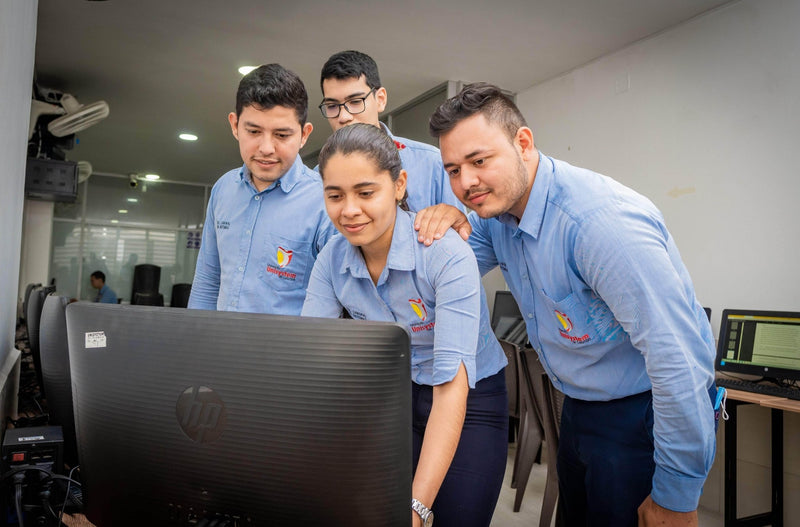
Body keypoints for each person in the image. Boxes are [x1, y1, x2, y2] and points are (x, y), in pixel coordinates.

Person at [417, 83, 717, 527]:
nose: (466, 183)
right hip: (577, 409)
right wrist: (445, 223)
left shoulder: (599, 225)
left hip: (642, 418)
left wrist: (676, 495)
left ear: (523, 142)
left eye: (479, 161)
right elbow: (437, 279)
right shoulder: (496, 216)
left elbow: (680, 360)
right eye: (454, 170)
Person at [301, 124, 508, 527]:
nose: (349, 210)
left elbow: (451, 388)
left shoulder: (445, 255)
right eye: (334, 195)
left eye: (365, 192)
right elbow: (313, 364)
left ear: (398, 186)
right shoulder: (331, 260)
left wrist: (416, 509)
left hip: (469, 396)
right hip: (394, 395)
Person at [188, 64, 337, 315]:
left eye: (281, 135)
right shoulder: (223, 189)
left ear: (304, 134)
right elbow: (208, 281)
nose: (266, 148)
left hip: (287, 352)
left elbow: (334, 302)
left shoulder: (325, 201)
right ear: (235, 125)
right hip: (221, 349)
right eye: (254, 131)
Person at [317, 50, 463, 212]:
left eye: (355, 101)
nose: (343, 116)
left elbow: (460, 233)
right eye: (332, 106)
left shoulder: (432, 164)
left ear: (380, 99)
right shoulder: (317, 178)